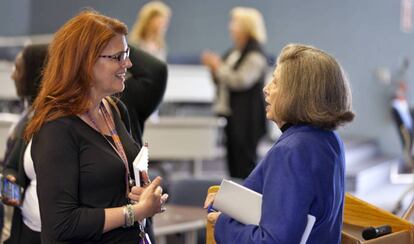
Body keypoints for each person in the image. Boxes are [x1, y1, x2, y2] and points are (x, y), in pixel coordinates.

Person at [25, 10, 167, 243]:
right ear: (84, 62)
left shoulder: (114, 109)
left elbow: (113, 177)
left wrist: (144, 193)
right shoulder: (57, 129)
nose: (128, 63)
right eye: (118, 56)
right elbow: (61, 225)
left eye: (127, 53)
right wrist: (136, 212)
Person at [205, 44, 355, 243]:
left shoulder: (292, 151)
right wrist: (230, 202)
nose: (266, 90)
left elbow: (273, 241)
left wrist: (223, 224)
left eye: (275, 82)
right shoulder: (328, 139)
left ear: (297, 93)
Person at [201, 7, 268, 179]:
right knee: (232, 162)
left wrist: (217, 66)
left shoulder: (255, 54)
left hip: (247, 119)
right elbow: (223, 80)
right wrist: (213, 69)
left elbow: (241, 80)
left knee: (244, 163)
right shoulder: (234, 51)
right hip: (232, 116)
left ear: (247, 27)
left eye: (235, 23)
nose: (231, 27)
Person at [3, 44, 48, 244]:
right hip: (17, 226)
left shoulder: (46, 119)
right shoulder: (29, 113)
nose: (13, 75)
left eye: (18, 69)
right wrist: (9, 182)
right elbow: (12, 166)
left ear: (34, 74)